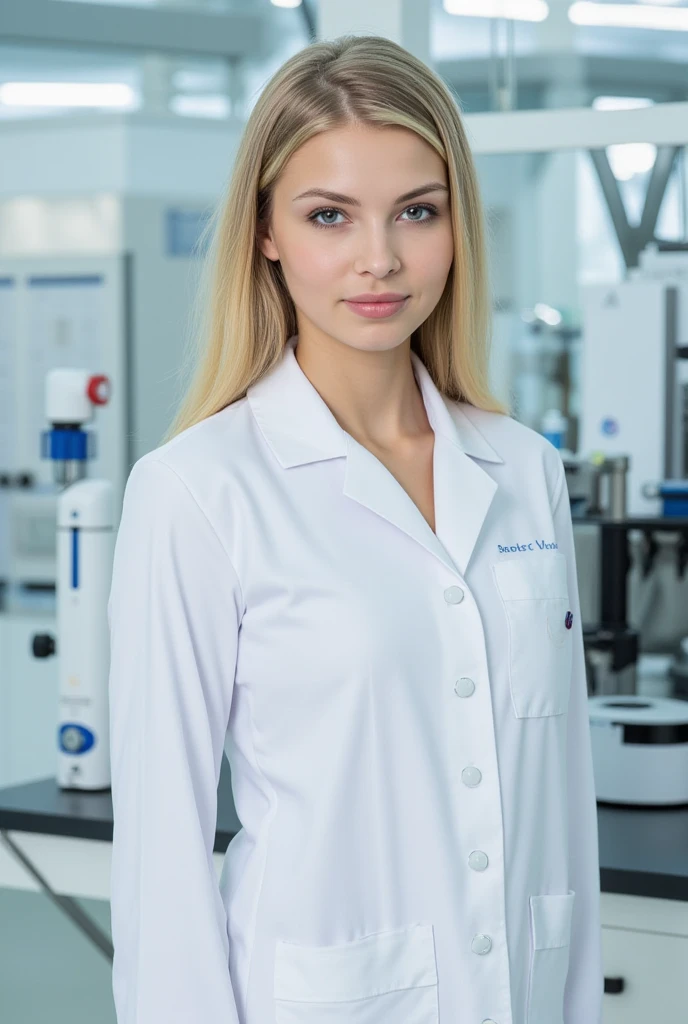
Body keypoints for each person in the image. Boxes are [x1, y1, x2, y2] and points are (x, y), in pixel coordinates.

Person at [107, 33, 603, 1024]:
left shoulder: (523, 470)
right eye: (329, 215)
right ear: (266, 232)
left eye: (416, 212)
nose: (379, 259)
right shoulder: (200, 491)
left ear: (457, 225)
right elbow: (160, 858)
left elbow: (561, 808)